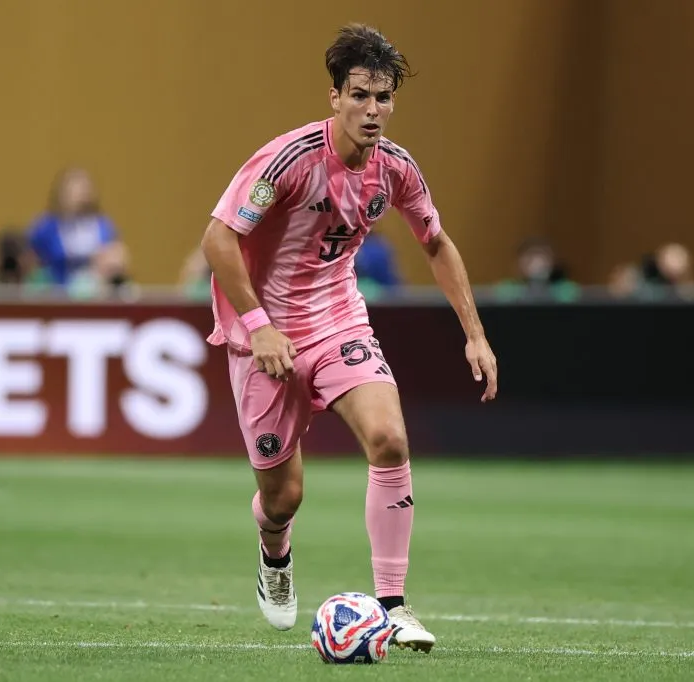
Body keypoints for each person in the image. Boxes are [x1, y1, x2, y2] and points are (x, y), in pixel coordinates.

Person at [199, 24, 498, 653]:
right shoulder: (288, 160)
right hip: (264, 339)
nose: (373, 110)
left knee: (389, 438)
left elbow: (436, 243)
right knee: (283, 496)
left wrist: (475, 335)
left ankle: (392, 607)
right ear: (334, 96)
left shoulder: (395, 170)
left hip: (338, 321)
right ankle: (273, 552)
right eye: (360, 95)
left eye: (383, 98)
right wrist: (259, 328)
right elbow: (218, 240)